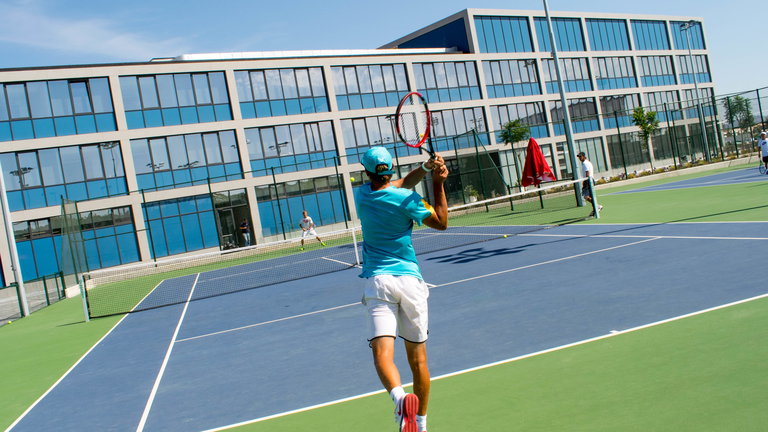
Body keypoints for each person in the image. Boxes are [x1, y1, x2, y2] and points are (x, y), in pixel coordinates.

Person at [355, 146, 449, 432]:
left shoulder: (362, 195)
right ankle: (420, 425)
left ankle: (399, 399)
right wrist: (437, 182)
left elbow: (399, 183)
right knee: (418, 361)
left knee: (382, 354)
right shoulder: (408, 199)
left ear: (366, 172)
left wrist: (427, 168)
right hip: (411, 284)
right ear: (390, 168)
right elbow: (441, 223)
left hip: (379, 283)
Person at [576, 151, 603, 216]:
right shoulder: (587, 163)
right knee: (591, 197)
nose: (579, 158)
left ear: (584, 156)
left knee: (586, 196)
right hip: (589, 181)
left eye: (580, 156)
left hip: (588, 181)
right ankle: (595, 209)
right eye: (579, 157)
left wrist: (585, 183)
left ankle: (597, 206)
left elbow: (587, 173)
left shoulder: (585, 163)